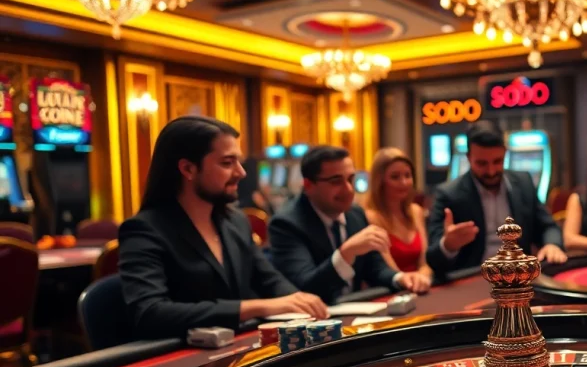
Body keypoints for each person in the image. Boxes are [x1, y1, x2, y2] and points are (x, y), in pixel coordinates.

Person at [119, 116, 327, 340]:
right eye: (227, 163)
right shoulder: (144, 230)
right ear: (188, 169)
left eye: (238, 161)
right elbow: (150, 313)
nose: (241, 172)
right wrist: (256, 307)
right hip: (182, 360)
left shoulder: (235, 221)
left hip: (237, 348)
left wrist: (300, 301)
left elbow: (268, 279)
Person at [269, 146, 431, 304]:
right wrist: (346, 253)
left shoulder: (355, 214)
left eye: (351, 179)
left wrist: (402, 278)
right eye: (336, 181)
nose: (348, 189)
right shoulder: (286, 224)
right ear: (309, 185)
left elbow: (376, 268)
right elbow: (305, 287)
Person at [426, 120, 567, 276]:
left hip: (518, 277)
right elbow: (433, 258)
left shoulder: (524, 183)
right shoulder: (448, 194)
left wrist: (552, 245)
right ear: (468, 157)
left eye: (497, 161)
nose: (491, 171)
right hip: (473, 278)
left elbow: (548, 226)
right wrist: (448, 245)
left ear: (505, 153)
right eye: (482, 163)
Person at [363, 148, 433, 283]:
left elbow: (425, 262)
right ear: (380, 181)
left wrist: (422, 277)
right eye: (395, 177)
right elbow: (388, 270)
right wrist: (411, 282)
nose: (404, 182)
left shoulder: (416, 211)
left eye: (408, 175)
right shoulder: (370, 217)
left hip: (421, 285)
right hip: (391, 290)